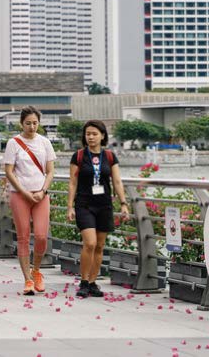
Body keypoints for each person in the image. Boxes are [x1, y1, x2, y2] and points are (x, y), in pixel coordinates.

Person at [67, 120, 130, 299]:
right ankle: (84, 282)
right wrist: (70, 206)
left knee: (100, 246)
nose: (91, 137)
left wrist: (123, 203)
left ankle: (93, 282)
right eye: (88, 134)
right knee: (90, 243)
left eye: (95, 134)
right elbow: (73, 182)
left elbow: (117, 181)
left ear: (102, 136)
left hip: (104, 205)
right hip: (84, 204)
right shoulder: (78, 156)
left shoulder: (110, 157)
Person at [3, 106, 56, 295]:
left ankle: (36, 271)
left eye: (35, 123)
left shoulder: (45, 142)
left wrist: (43, 190)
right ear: (21, 123)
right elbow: (9, 171)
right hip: (20, 194)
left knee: (41, 236)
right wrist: (24, 192)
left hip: (41, 194)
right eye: (28, 123)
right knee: (23, 237)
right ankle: (27, 280)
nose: (32, 127)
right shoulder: (14, 143)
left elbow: (50, 171)